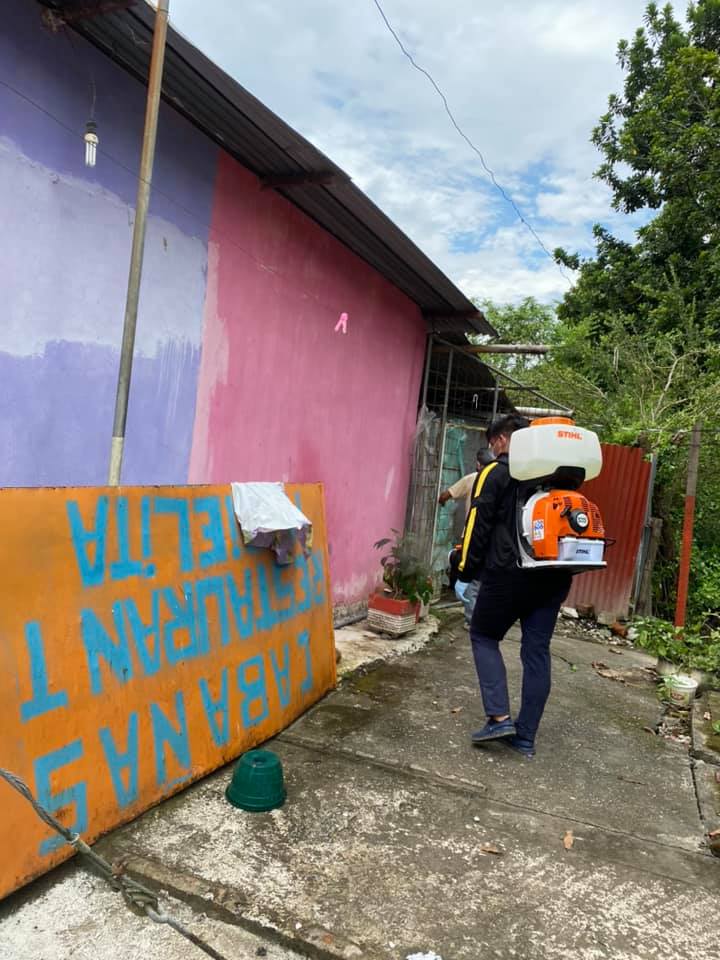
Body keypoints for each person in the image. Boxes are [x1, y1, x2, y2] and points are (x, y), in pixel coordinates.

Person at [456, 414, 573, 759]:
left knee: (483, 635)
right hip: (553, 576)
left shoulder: (496, 472)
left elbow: (478, 525)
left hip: (508, 575)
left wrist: (464, 570)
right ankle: (525, 738)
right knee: (536, 651)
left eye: (493, 443)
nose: (492, 450)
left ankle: (499, 718)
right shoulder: (557, 474)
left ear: (503, 440)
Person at [439, 449, 495, 626]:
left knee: (471, 576)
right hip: (493, 539)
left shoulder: (473, 478)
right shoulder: (500, 480)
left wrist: (441, 501)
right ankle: (483, 617)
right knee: (485, 578)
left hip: (472, 535)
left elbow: (447, 494)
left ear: (478, 464)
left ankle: (472, 620)